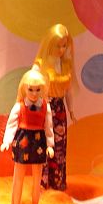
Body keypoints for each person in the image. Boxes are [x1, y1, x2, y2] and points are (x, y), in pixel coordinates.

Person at [0, 69, 55, 204]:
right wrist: (7, 141)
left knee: (37, 178)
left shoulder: (46, 106)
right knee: (18, 177)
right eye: (30, 89)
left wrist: (50, 145)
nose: (34, 93)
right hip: (23, 141)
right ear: (24, 88)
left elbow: (48, 127)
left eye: (38, 90)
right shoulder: (19, 106)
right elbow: (11, 125)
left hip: (39, 142)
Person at [32, 24, 77, 191]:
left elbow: (69, 91)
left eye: (64, 45)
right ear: (50, 44)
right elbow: (31, 83)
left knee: (59, 146)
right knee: (44, 144)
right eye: (58, 45)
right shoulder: (41, 64)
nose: (61, 49)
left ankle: (57, 181)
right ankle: (42, 182)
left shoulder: (66, 65)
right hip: (44, 107)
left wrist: (71, 110)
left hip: (59, 109)